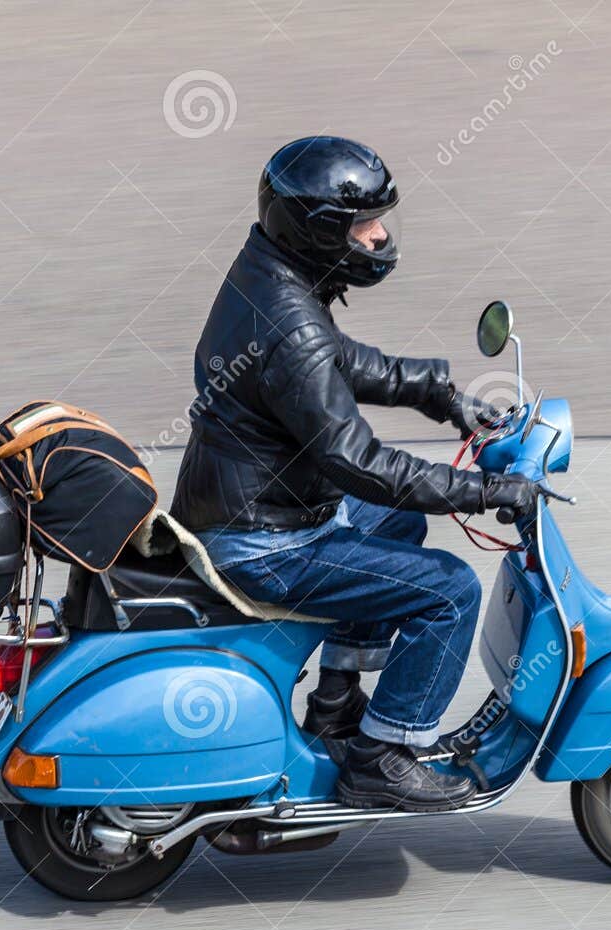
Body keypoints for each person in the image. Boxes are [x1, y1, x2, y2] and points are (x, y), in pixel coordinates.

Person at [169, 136, 538, 812]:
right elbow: (357, 460)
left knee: (395, 522)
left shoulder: (269, 274)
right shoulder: (291, 325)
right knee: (450, 591)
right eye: (361, 224)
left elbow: (338, 359)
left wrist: (440, 394)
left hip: (251, 508)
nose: (377, 235)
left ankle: (337, 703)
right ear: (317, 231)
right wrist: (481, 491)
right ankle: (384, 752)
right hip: (266, 541)